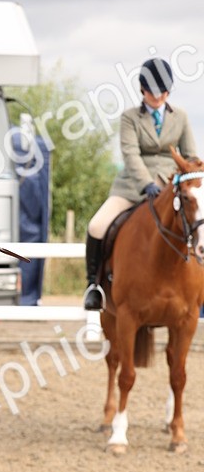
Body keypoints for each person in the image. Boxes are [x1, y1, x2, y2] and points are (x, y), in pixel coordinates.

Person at [83, 56, 198, 309]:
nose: (159, 97)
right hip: (132, 187)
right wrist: (146, 183)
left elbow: (190, 155)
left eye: (164, 92)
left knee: (195, 223)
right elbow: (131, 154)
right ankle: (95, 286)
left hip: (170, 188)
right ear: (143, 90)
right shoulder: (130, 118)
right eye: (153, 93)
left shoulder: (180, 116)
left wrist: (193, 173)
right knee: (96, 226)